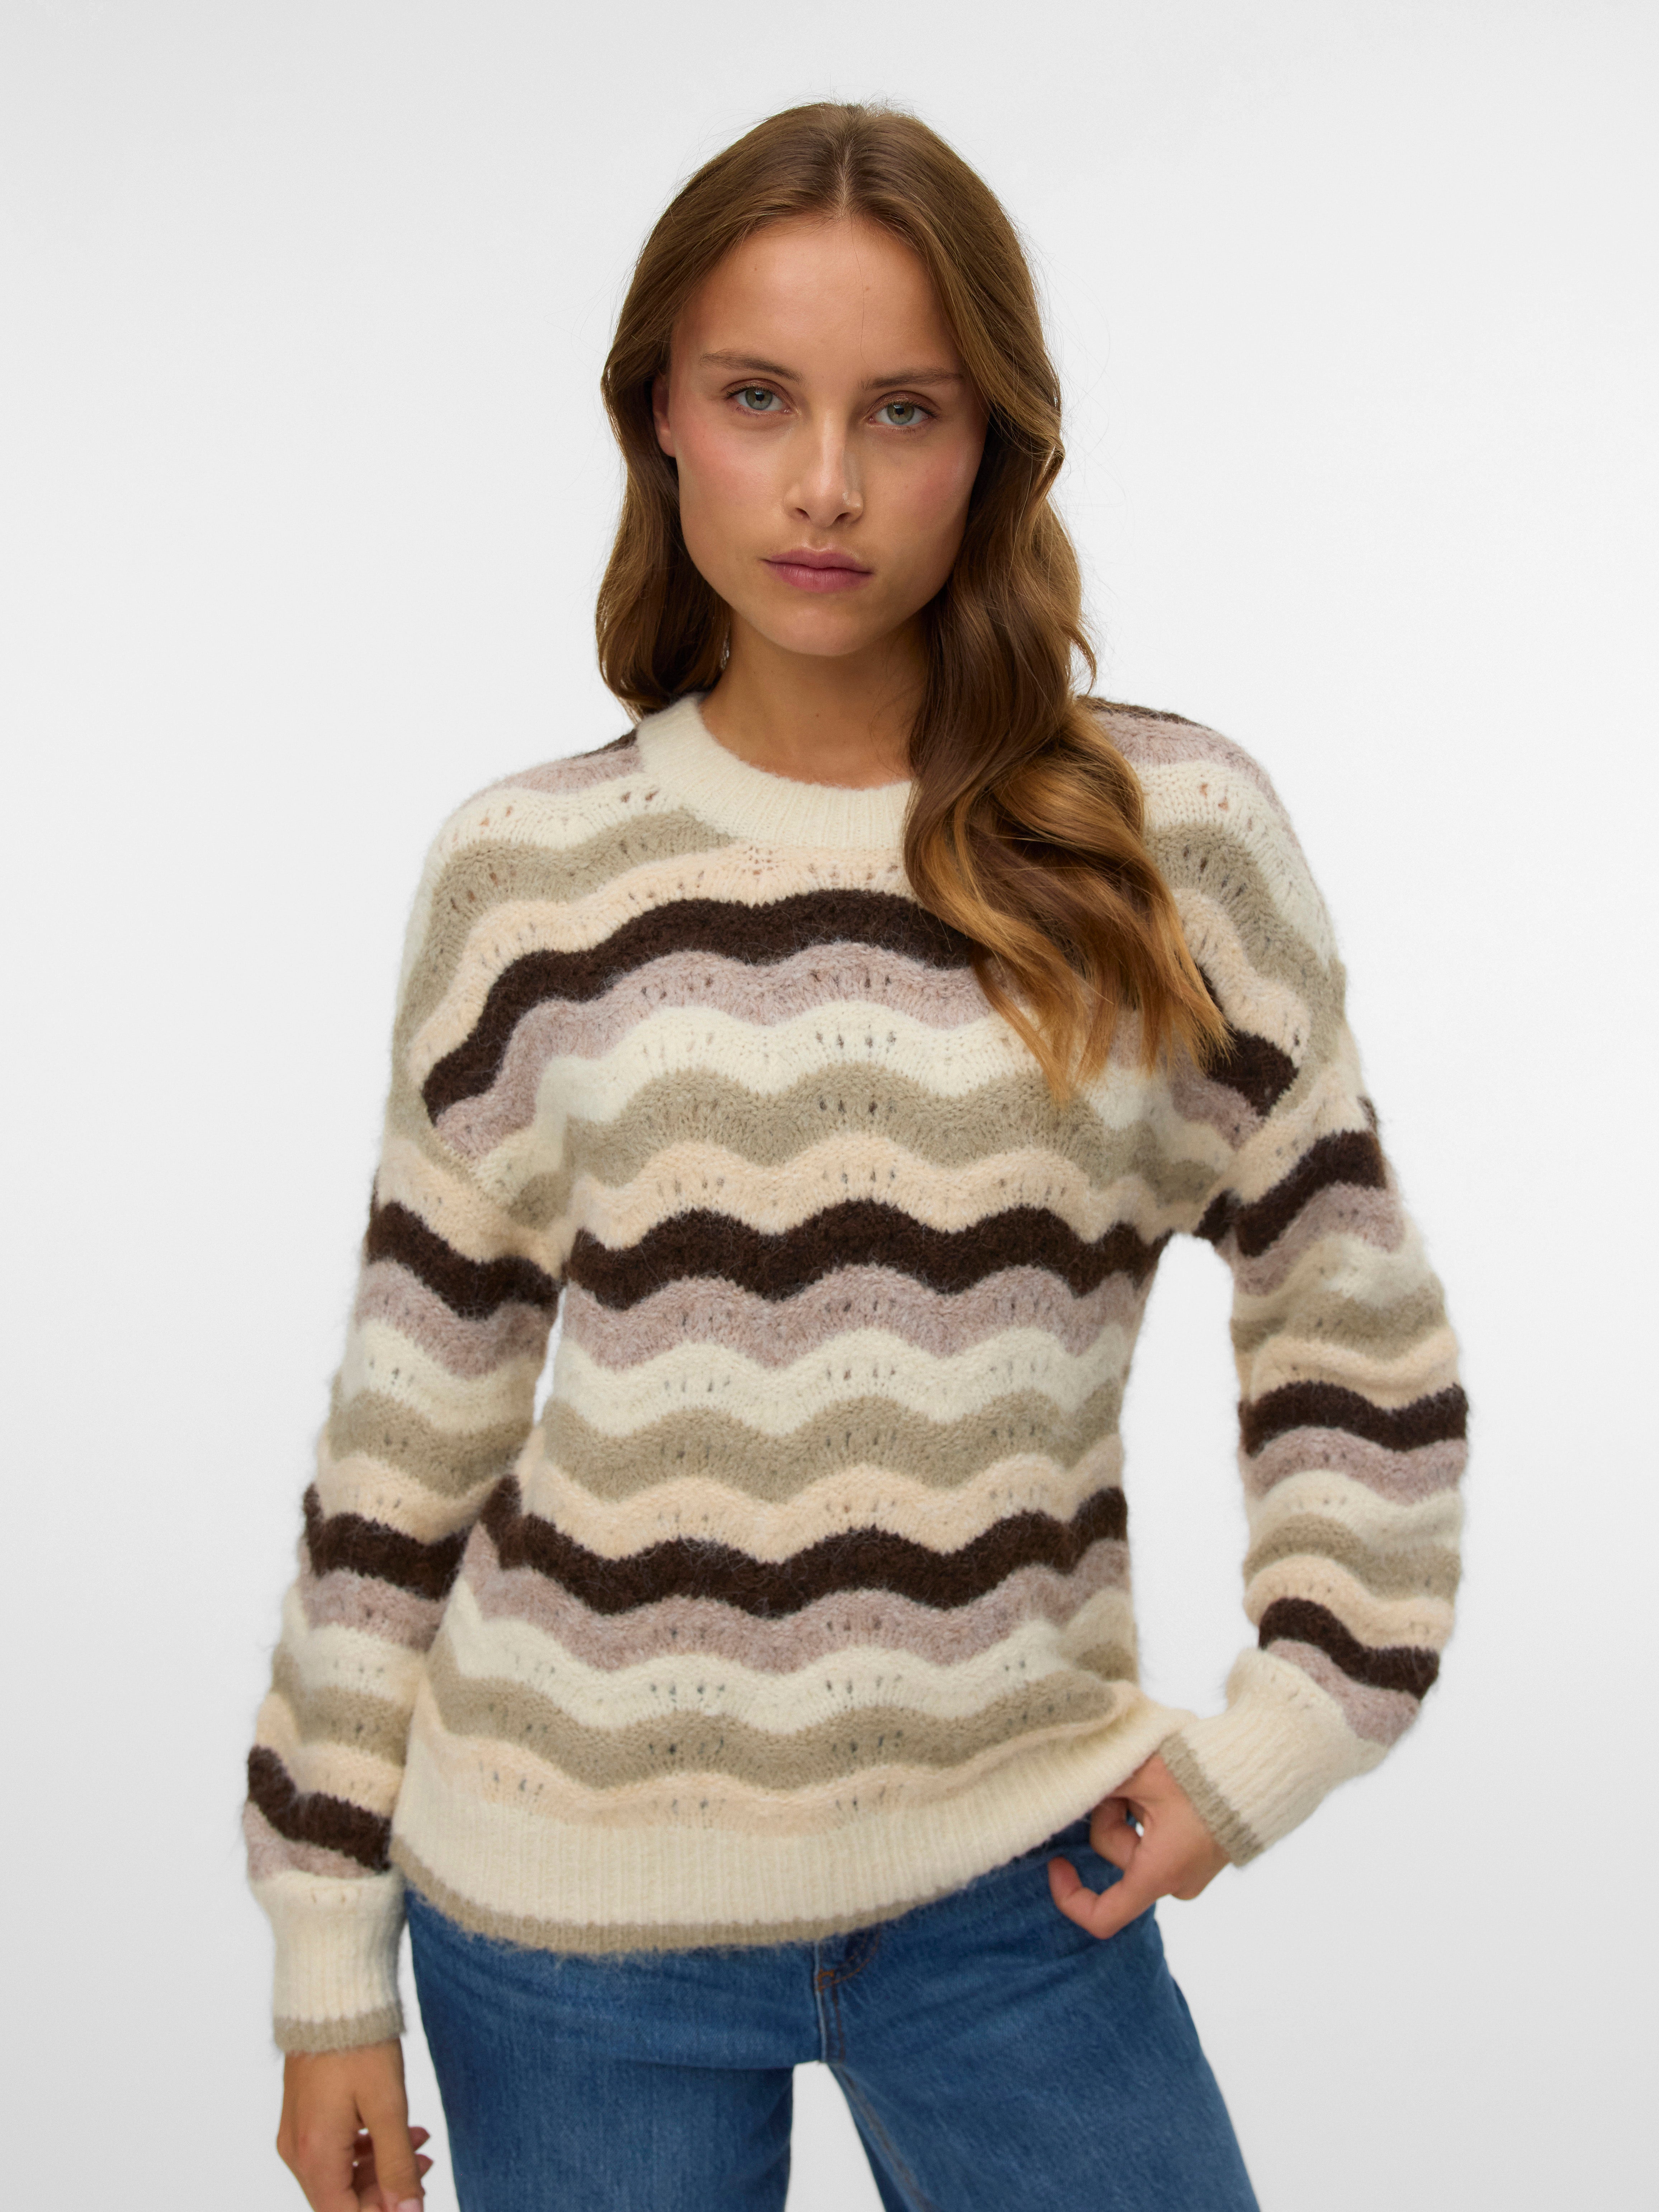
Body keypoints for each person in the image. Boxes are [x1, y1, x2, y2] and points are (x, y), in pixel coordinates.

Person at [244, 100, 1466, 2212]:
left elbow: (1353, 1326)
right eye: (757, 399)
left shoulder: (1162, 845)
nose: (825, 483)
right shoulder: (527, 878)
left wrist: (1288, 1730)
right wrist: (324, 1958)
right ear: (659, 417)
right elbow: (400, 1453)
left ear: (992, 442)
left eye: (903, 409)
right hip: (563, 1925)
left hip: (1021, 1893)